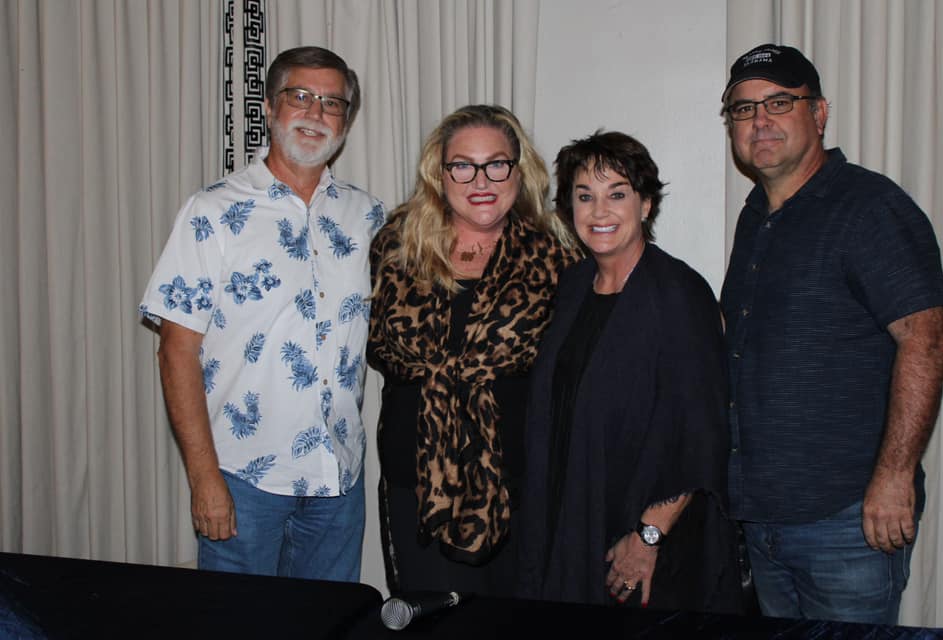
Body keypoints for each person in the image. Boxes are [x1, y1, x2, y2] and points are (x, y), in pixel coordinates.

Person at [720, 43, 943, 624]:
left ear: (818, 114)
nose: (760, 121)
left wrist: (895, 476)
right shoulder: (754, 217)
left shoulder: (869, 207)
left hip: (848, 524)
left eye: (779, 102)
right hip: (764, 522)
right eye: (744, 109)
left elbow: (925, 339)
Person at [139, 46, 384, 580]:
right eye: (301, 97)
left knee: (330, 619)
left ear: (346, 121)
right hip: (241, 482)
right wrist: (203, 479)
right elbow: (176, 352)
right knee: (240, 620)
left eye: (332, 103)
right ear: (270, 107)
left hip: (338, 481)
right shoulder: (212, 212)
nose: (316, 113)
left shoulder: (369, 216)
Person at [516, 131, 743, 613]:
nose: (600, 211)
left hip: (647, 541)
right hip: (576, 519)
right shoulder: (573, 286)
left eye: (617, 194)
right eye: (585, 196)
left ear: (646, 204)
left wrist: (647, 536)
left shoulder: (679, 293)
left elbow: (702, 432)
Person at [367, 104, 579, 596]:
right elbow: (379, 348)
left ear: (519, 171)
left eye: (496, 164)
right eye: (462, 165)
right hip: (417, 484)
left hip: (519, 484)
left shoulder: (556, 255)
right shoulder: (397, 247)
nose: (480, 180)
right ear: (439, 175)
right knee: (431, 621)